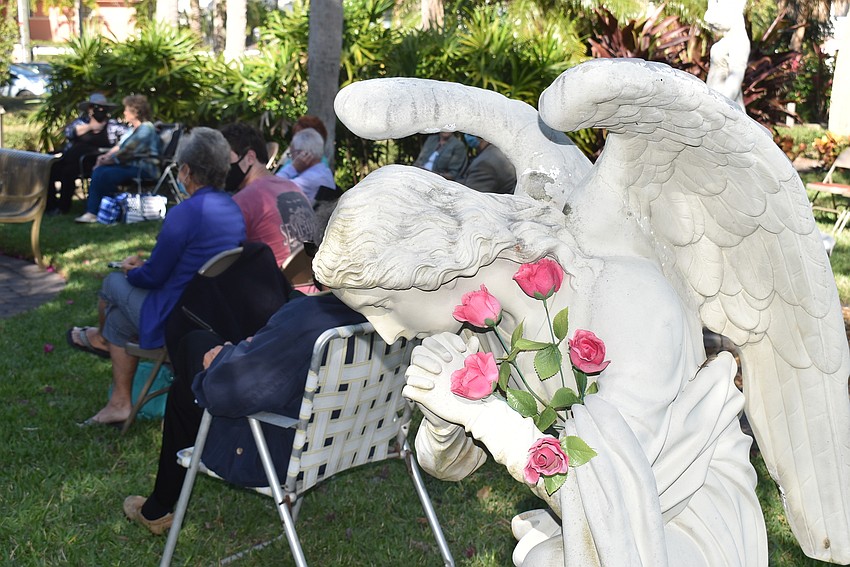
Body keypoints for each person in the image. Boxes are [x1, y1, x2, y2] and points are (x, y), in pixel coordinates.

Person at [313, 166, 765, 566]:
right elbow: (452, 466)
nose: (388, 333)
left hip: (688, 511)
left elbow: (611, 496)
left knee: (546, 559)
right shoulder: (481, 332)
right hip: (603, 523)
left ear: (426, 267)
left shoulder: (626, 298)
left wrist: (483, 415)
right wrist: (441, 418)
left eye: (382, 304)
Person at [122, 280, 365, 534]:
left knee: (187, 387)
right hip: (351, 437)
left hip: (281, 450)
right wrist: (251, 352)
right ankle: (158, 505)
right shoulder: (390, 314)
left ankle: (158, 508)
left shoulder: (308, 316)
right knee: (200, 343)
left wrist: (225, 359)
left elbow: (231, 392)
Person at [66, 127, 246, 425]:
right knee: (118, 320)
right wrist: (146, 268)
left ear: (186, 170)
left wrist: (132, 270)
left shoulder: (186, 212)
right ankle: (120, 403)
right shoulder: (232, 207)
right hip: (213, 313)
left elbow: (153, 277)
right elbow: (193, 260)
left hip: (178, 317)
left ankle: (98, 339)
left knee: (112, 283)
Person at [221, 122, 316, 267]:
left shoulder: (243, 200)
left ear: (250, 157)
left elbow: (221, 255)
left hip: (277, 286)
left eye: (226, 159)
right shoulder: (292, 187)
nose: (223, 167)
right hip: (314, 284)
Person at [75, 95, 161, 223]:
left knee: (106, 173)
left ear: (135, 112)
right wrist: (104, 157)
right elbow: (119, 146)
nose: (124, 112)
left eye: (126, 110)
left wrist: (109, 160)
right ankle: (100, 210)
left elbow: (129, 151)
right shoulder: (133, 130)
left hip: (144, 168)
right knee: (101, 171)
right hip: (130, 165)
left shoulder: (146, 128)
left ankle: (99, 211)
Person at [47, 93, 129, 215]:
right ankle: (50, 206)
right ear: (90, 109)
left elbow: (129, 137)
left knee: (68, 172)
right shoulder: (81, 122)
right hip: (70, 158)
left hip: (93, 161)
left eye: (103, 108)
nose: (100, 110)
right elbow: (69, 132)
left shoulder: (112, 125)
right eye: (96, 107)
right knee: (50, 169)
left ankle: (63, 207)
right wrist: (90, 127)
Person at [274, 128, 336, 203]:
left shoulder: (310, 179)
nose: (291, 159)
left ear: (303, 154)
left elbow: (270, 188)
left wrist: (292, 168)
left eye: (291, 154)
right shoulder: (324, 171)